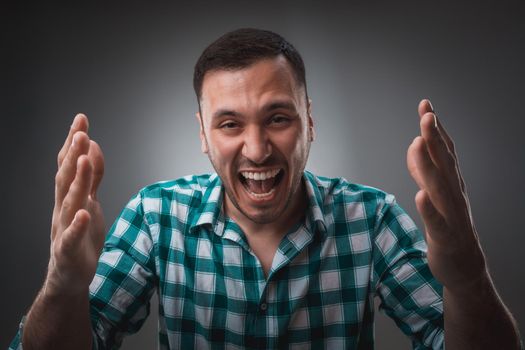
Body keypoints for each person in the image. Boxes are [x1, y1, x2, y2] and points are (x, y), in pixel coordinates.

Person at [10, 28, 521, 350]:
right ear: (203, 135)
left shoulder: (374, 220)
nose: (256, 150)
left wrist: (468, 279)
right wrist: (64, 287)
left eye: (277, 117)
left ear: (309, 122)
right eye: (230, 124)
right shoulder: (154, 216)